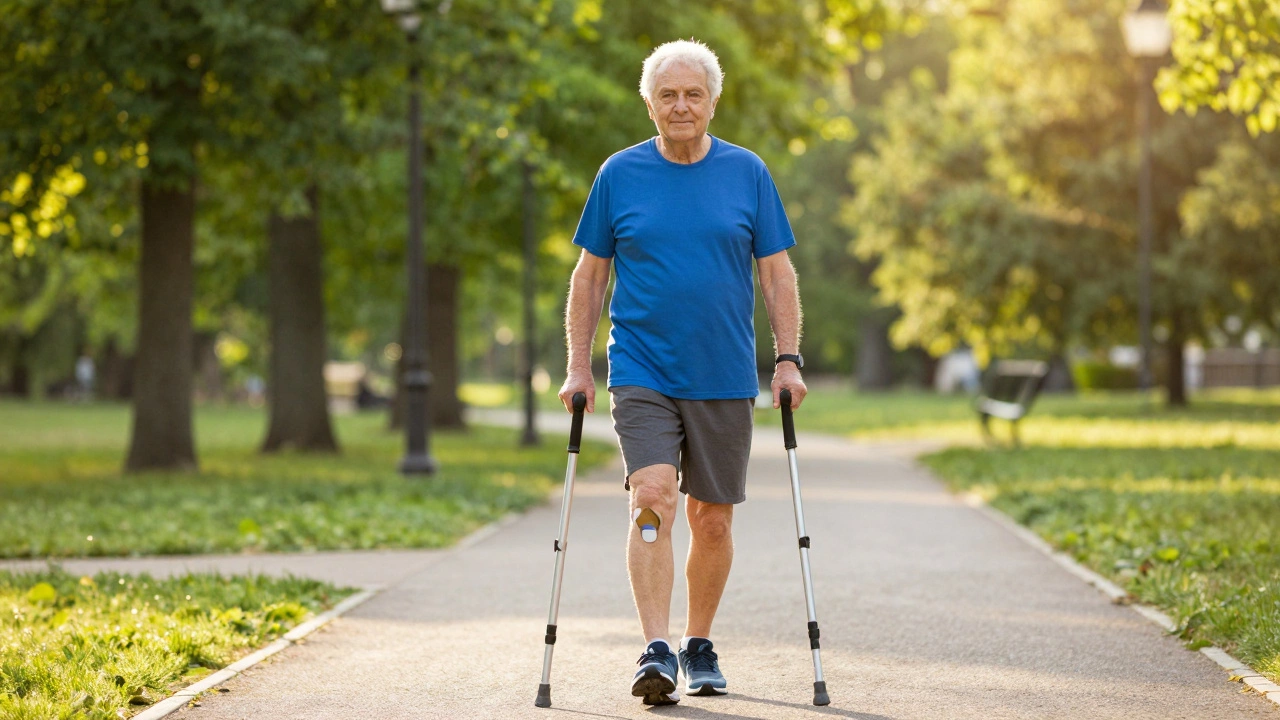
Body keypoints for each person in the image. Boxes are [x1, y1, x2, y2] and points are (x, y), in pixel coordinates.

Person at [557, 39, 806, 706]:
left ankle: (698, 644)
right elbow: (591, 276)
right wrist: (580, 365)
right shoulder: (619, 175)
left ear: (713, 101)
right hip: (642, 370)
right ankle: (657, 648)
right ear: (649, 104)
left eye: (693, 94)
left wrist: (787, 358)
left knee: (713, 520)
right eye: (668, 95)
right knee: (653, 500)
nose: (681, 105)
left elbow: (777, 273)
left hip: (724, 373)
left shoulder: (748, 173)